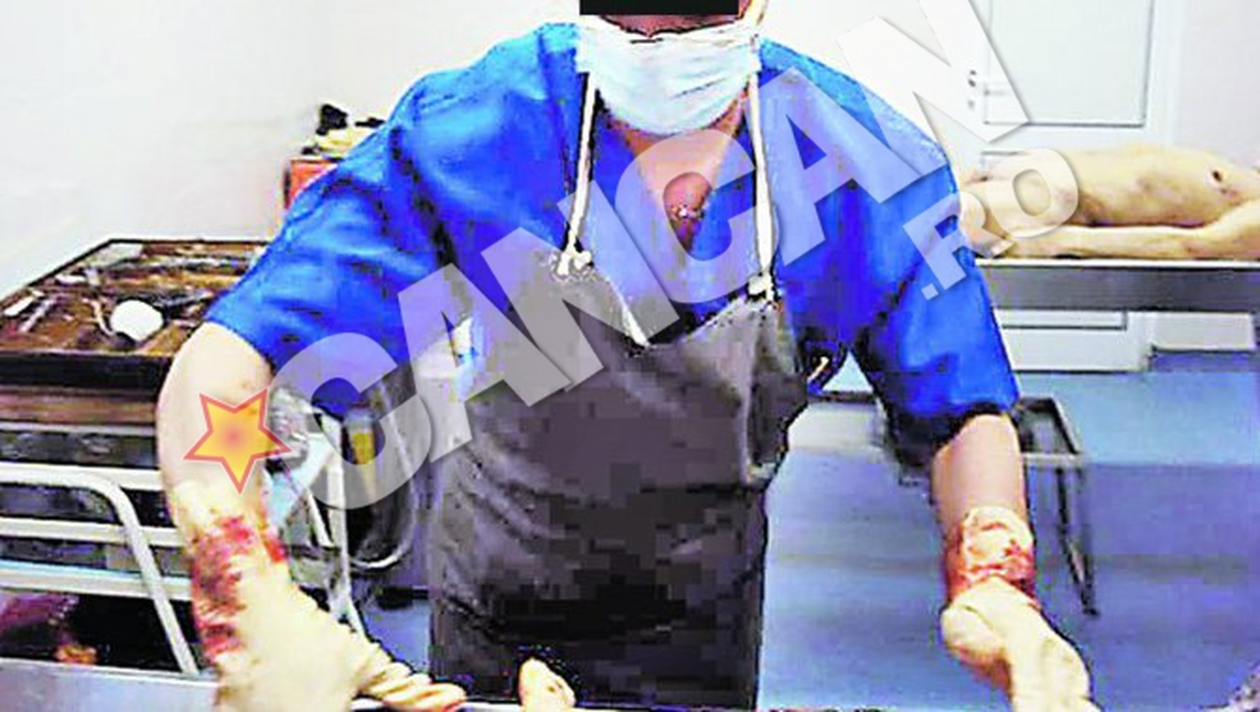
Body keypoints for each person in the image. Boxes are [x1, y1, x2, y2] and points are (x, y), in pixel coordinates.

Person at [156, 1, 1097, 709]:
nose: (652, 44)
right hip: (499, 591)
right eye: (623, 14)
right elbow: (235, 355)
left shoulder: (853, 158)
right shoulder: (487, 126)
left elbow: (960, 403)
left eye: (689, 16)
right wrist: (243, 584)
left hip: (700, 612)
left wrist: (995, 579)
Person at [961, 143, 1260, 260]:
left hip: (1046, 203)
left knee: (938, 224)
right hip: (1010, 177)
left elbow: (1192, 247)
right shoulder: (1247, 176)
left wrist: (1057, 243)